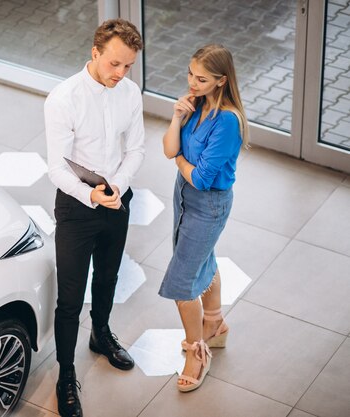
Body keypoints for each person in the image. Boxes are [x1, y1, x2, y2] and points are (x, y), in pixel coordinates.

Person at [44, 18, 145, 417]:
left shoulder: (130, 92)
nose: (120, 74)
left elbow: (136, 148)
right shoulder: (63, 98)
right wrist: (90, 195)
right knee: (70, 298)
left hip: (116, 199)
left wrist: (116, 187)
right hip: (76, 207)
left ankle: (101, 335)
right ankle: (66, 375)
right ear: (95, 52)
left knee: (108, 277)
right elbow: (56, 168)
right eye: (114, 64)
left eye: (127, 66)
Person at [160, 44, 249, 392]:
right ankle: (215, 324)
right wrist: (176, 117)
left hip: (208, 204)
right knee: (202, 260)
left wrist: (181, 162)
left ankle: (197, 352)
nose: (192, 84)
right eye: (190, 74)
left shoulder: (227, 121)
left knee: (183, 283)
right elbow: (168, 148)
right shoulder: (194, 104)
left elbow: (201, 177)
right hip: (183, 198)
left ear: (221, 81)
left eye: (202, 79)